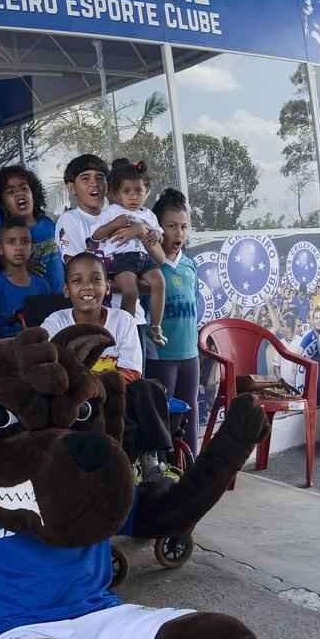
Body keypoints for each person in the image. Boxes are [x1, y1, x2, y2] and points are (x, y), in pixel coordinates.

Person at [143, 189, 200, 454]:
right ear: (158, 228)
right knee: (163, 413)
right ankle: (165, 467)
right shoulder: (149, 267)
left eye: (184, 227)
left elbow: (195, 304)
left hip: (190, 354)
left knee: (190, 409)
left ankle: (191, 464)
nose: (178, 233)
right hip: (161, 356)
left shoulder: (189, 265)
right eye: (171, 226)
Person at [90, 159, 167, 345]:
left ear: (147, 192)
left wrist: (156, 235)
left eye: (138, 191)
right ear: (116, 194)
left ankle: (155, 326)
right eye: (127, 192)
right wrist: (114, 224)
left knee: (159, 283)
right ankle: (127, 329)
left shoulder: (148, 214)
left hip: (144, 257)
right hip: (122, 258)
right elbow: (96, 235)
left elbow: (160, 236)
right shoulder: (112, 211)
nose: (133, 197)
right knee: (130, 290)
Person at [40, 253, 142, 385]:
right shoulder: (55, 322)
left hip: (114, 394)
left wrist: (95, 387)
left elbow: (132, 372)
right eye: (77, 280)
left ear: (107, 288)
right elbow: (46, 368)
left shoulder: (123, 321)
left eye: (96, 279)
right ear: (66, 290)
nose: (88, 286)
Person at [0, 165, 64, 294]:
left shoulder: (48, 223)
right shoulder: (4, 235)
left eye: (24, 188)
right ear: (2, 203)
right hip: (33, 299)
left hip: (62, 297)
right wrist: (21, 266)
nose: (19, 193)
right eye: (11, 192)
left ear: (33, 194)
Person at [0, 217, 54, 338]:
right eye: (11, 242)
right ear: (0, 248)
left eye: (25, 242)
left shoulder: (43, 285)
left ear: (31, 247)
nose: (19, 247)